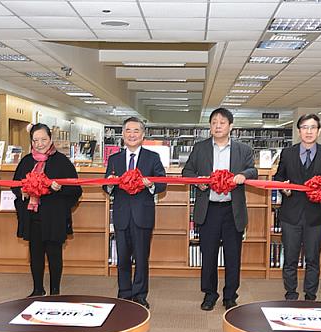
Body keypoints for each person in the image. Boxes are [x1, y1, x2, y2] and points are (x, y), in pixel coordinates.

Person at [182, 108, 258, 311]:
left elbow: (253, 170)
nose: (217, 126)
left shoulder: (243, 149)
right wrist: (197, 181)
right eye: (214, 122)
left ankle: (230, 295)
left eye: (222, 122)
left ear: (231, 127)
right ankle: (209, 294)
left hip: (232, 209)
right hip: (209, 209)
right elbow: (187, 171)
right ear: (210, 126)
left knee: (233, 255)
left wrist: (244, 175)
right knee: (208, 254)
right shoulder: (200, 148)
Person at [13, 123, 82, 297]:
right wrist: (22, 191)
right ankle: (37, 289)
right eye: (35, 140)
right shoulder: (26, 161)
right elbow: (15, 184)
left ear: (50, 139)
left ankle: (55, 291)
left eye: (43, 139)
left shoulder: (62, 161)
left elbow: (76, 190)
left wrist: (60, 189)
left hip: (54, 216)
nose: (40, 143)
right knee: (35, 255)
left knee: (54, 255)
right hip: (32, 215)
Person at [104, 117, 167, 309]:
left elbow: (162, 183)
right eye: (128, 131)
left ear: (143, 134)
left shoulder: (152, 157)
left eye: (136, 131)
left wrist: (151, 184)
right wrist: (110, 183)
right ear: (122, 135)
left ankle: (140, 294)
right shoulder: (114, 159)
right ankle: (124, 293)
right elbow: (106, 187)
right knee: (122, 257)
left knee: (141, 258)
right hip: (122, 215)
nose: (132, 134)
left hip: (143, 215)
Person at [273, 113, 321, 302]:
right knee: (290, 258)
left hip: (316, 215)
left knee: (313, 259)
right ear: (299, 131)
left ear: (319, 131)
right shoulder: (287, 153)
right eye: (305, 128)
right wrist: (283, 188)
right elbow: (278, 177)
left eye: (313, 128)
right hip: (291, 213)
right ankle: (291, 294)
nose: (309, 131)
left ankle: (310, 296)